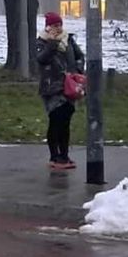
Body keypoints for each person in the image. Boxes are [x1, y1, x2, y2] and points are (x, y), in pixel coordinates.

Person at [36, 12, 85, 170]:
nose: (57, 28)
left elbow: (79, 56)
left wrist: (77, 70)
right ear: (48, 27)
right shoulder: (42, 42)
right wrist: (52, 43)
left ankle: (64, 155)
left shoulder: (69, 39)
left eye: (59, 25)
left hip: (68, 86)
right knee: (55, 120)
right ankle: (54, 156)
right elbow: (41, 59)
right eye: (54, 25)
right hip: (51, 87)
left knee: (66, 121)